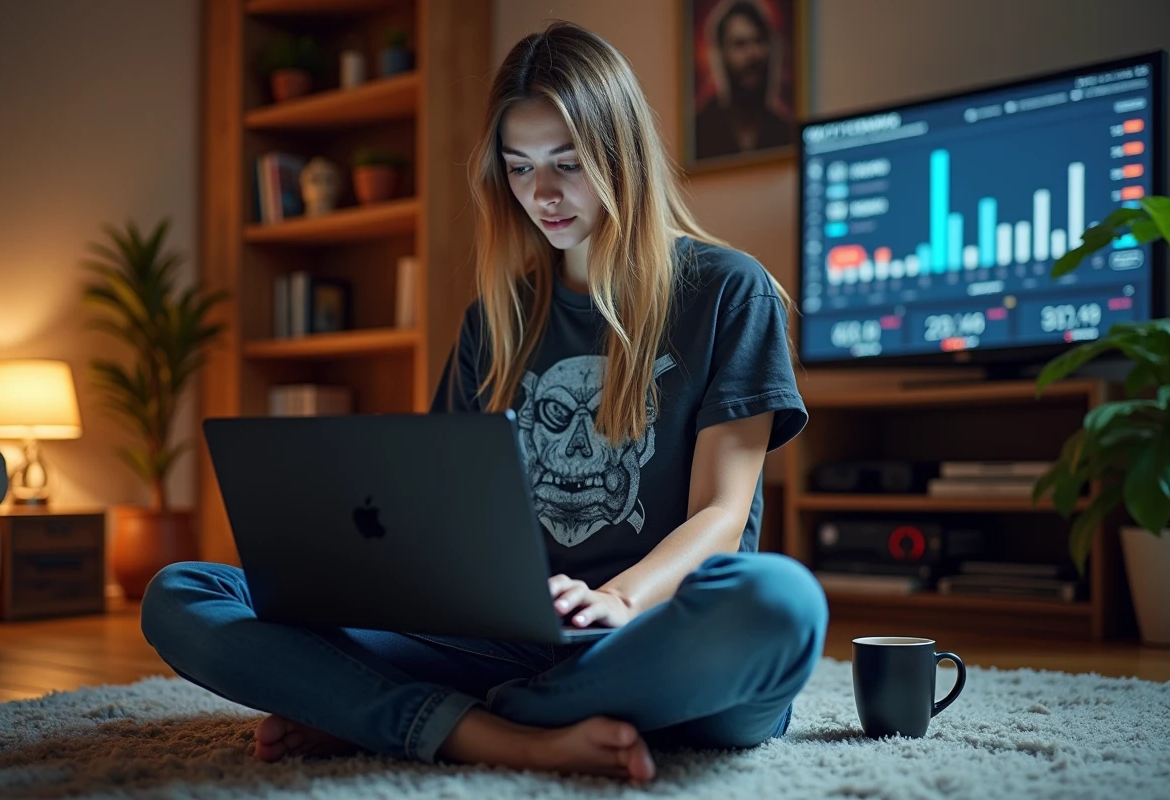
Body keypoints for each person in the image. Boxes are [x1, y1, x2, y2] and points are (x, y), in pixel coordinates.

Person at [140, 20, 827, 785]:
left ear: (620, 154)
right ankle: (507, 737)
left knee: (782, 603)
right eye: (520, 166)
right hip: (494, 638)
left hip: (648, 636)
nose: (543, 194)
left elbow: (722, 517)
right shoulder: (495, 318)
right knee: (184, 592)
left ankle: (422, 715)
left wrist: (618, 600)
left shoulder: (729, 291)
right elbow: (439, 523)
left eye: (568, 163)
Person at [694, 0, 793, 160]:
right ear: (720, 54)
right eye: (740, 44)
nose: (753, 54)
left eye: (759, 41)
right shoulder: (700, 129)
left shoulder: (785, 131)